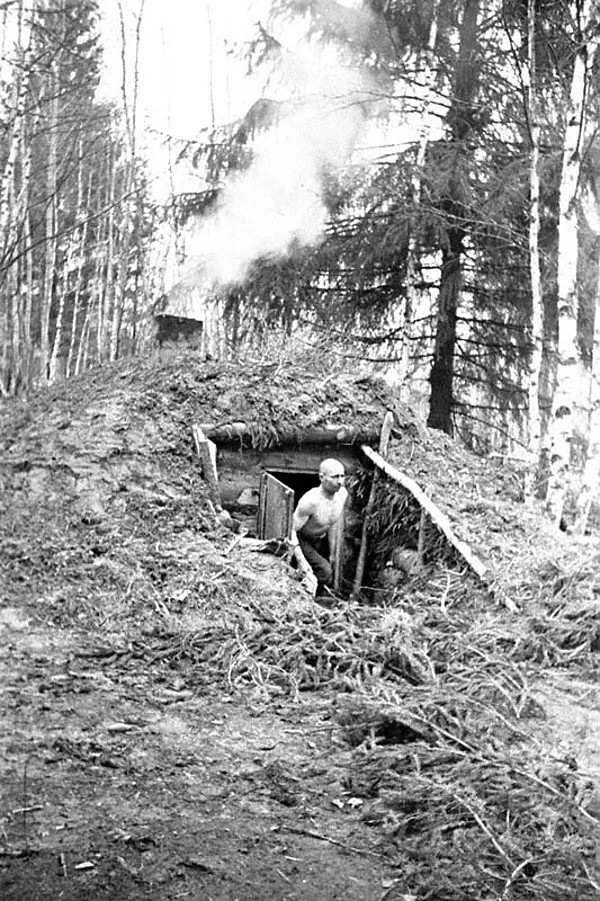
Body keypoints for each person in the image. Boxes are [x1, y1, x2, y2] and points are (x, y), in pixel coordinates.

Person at [290, 458, 348, 596]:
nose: (340, 481)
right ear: (322, 477)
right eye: (335, 477)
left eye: (342, 476)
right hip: (302, 539)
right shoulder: (311, 501)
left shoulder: (342, 495)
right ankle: (305, 597)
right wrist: (301, 560)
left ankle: (315, 596)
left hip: (320, 539)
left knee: (328, 568)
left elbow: (333, 523)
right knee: (325, 571)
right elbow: (291, 530)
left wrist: (333, 553)